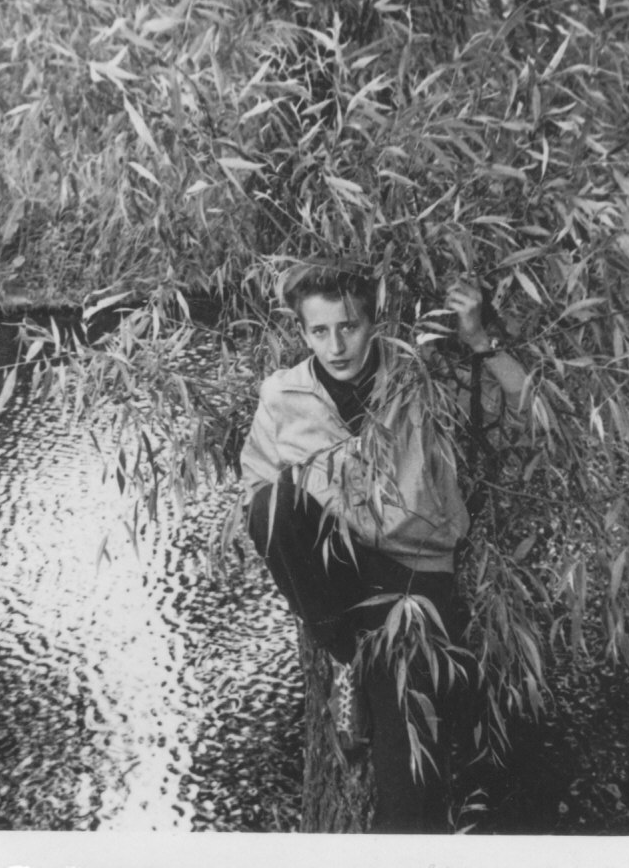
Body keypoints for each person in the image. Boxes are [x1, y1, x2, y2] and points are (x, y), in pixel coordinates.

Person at [239, 263, 529, 832]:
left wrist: (478, 339)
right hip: (341, 577)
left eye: (348, 327)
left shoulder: (419, 377)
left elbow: (526, 413)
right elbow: (257, 498)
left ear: (373, 323)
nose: (336, 346)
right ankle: (346, 655)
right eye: (319, 331)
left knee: (407, 774)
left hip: (416, 573)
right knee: (272, 505)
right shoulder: (282, 394)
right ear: (302, 332)